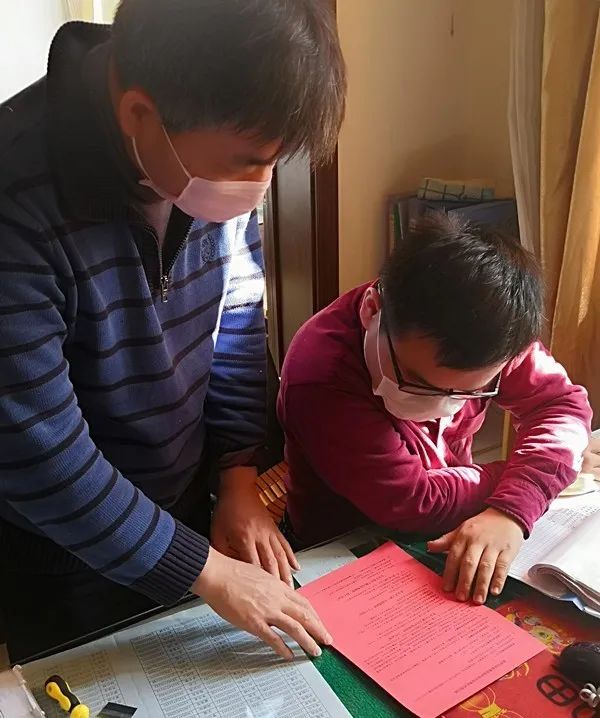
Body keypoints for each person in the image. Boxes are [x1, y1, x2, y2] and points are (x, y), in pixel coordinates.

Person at [0, 0, 345, 661]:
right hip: (64, 548)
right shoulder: (16, 201)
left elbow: (238, 317)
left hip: (186, 504)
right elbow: (39, 452)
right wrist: (207, 573)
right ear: (139, 114)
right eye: (247, 162)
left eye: (273, 162)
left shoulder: (205, 140)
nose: (258, 188)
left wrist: (237, 475)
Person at [278, 212, 591, 606]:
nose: (441, 403)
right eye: (415, 380)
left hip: (448, 520)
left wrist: (510, 511)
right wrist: (528, 479)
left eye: (467, 392)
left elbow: (561, 405)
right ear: (372, 310)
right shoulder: (320, 376)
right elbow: (415, 502)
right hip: (339, 548)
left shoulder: (494, 333)